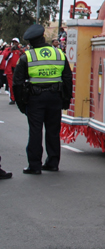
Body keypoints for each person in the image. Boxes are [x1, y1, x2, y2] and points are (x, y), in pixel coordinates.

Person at [13, 24, 73, 174]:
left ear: (31, 42)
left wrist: (21, 104)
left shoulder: (27, 56)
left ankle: (34, 165)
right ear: (43, 37)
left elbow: (17, 83)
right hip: (55, 97)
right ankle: (53, 162)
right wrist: (66, 100)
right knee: (53, 131)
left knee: (35, 131)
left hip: (35, 98)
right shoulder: (59, 53)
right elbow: (67, 78)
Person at [3, 38, 22, 105]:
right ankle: (12, 98)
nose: (14, 43)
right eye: (13, 42)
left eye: (16, 42)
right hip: (10, 70)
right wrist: (10, 50)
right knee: (11, 85)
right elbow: (5, 56)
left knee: (19, 85)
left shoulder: (20, 50)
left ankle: (19, 98)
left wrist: (20, 50)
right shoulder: (8, 50)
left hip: (18, 70)